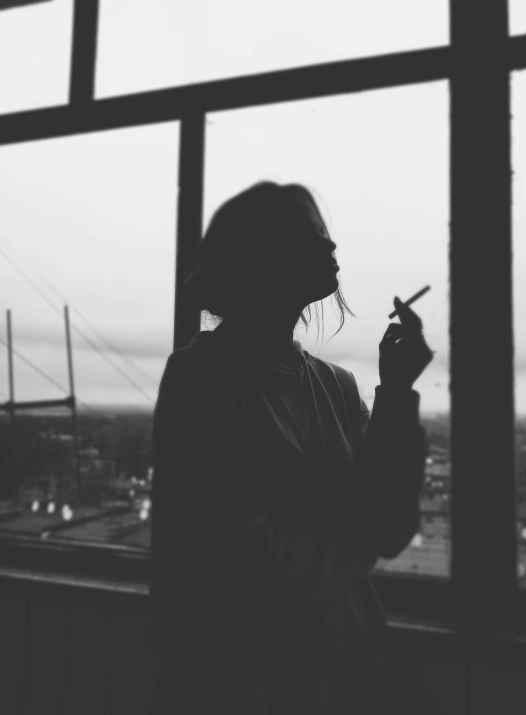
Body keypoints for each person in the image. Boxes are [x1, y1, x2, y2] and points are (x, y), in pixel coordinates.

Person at [149, 181, 434, 714]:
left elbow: (391, 526)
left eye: (325, 233)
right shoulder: (200, 379)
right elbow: (245, 565)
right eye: (311, 234)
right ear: (262, 255)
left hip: (345, 674)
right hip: (238, 686)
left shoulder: (337, 386)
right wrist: (359, 543)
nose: (330, 246)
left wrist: (396, 391)